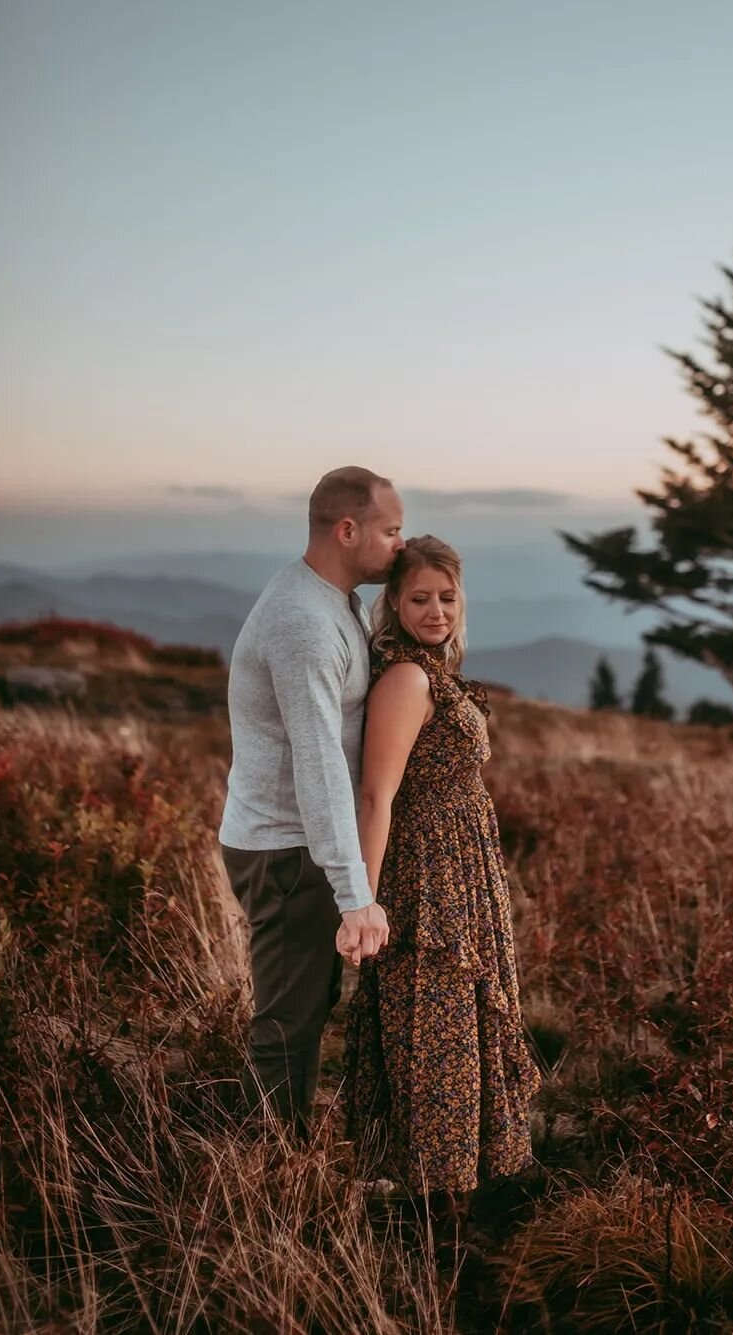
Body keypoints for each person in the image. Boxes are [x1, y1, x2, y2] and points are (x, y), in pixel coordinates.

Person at [342, 535, 541, 1243]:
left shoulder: (432, 668)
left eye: (446, 597)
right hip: (428, 879)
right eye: (420, 597)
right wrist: (361, 902)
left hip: (462, 871)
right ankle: (441, 1211)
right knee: (437, 1030)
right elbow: (376, 795)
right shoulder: (406, 679)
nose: (435, 610)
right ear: (394, 603)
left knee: (463, 1025)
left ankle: (465, 1190)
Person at [218, 466, 403, 1141]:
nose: (399, 545)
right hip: (285, 846)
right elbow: (319, 764)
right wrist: (355, 894)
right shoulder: (303, 623)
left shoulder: (333, 599)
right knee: (288, 1022)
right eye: (390, 530)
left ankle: (278, 1157)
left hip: (293, 842)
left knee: (304, 1006)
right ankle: (267, 1176)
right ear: (346, 530)